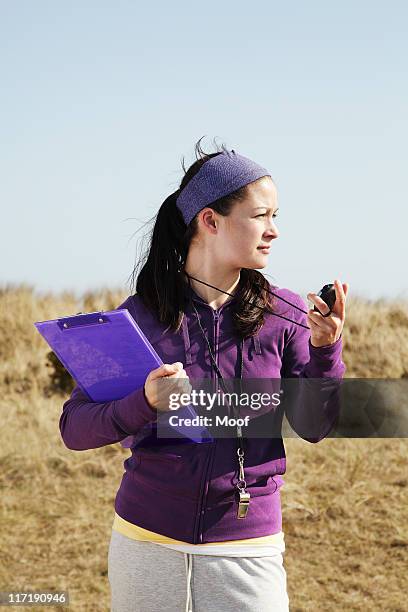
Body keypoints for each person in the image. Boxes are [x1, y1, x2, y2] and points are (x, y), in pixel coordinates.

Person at [59, 138, 349, 612]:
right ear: (209, 220)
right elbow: (74, 427)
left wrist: (324, 351)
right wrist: (146, 402)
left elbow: (315, 427)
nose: (274, 231)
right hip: (146, 543)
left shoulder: (288, 315)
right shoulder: (141, 317)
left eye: (276, 216)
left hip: (249, 551)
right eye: (261, 216)